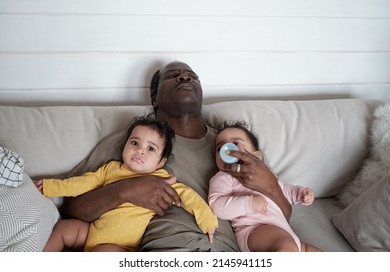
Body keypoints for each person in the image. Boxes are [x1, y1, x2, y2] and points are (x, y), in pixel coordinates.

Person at [60, 61, 292, 251]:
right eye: (173, 76)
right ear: (154, 99)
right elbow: (70, 208)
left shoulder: (234, 143)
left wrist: (271, 186)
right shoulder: (133, 143)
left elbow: (282, 218)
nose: (185, 78)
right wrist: (125, 190)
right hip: (165, 251)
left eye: (192, 76)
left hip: (226, 254)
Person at [34, 115, 218, 252]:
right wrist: (49, 187)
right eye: (135, 143)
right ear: (124, 147)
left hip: (121, 246)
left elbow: (189, 197)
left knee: (102, 253)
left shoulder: (162, 180)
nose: (140, 151)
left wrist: (208, 222)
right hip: (92, 232)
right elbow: (80, 184)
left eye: (151, 148)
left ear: (161, 162)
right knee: (65, 228)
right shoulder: (111, 169)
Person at [208, 120, 322, 252]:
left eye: (235, 143)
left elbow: (283, 190)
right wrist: (249, 203)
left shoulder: (266, 174)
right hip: (254, 230)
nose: (227, 150)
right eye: (219, 148)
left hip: (285, 232)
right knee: (286, 246)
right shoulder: (224, 177)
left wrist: (301, 193)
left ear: (255, 156)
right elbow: (216, 206)